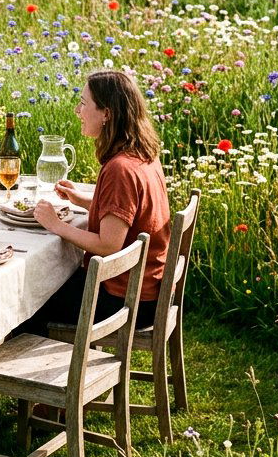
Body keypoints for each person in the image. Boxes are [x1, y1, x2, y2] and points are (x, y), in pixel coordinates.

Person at [22, 69, 170, 335]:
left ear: (107, 113)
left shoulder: (120, 168)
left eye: (83, 103)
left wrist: (56, 225)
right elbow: (132, 216)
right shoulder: (143, 154)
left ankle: (30, 374)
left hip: (124, 298)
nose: (78, 110)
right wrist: (84, 200)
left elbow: (109, 245)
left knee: (28, 300)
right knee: (48, 283)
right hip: (145, 289)